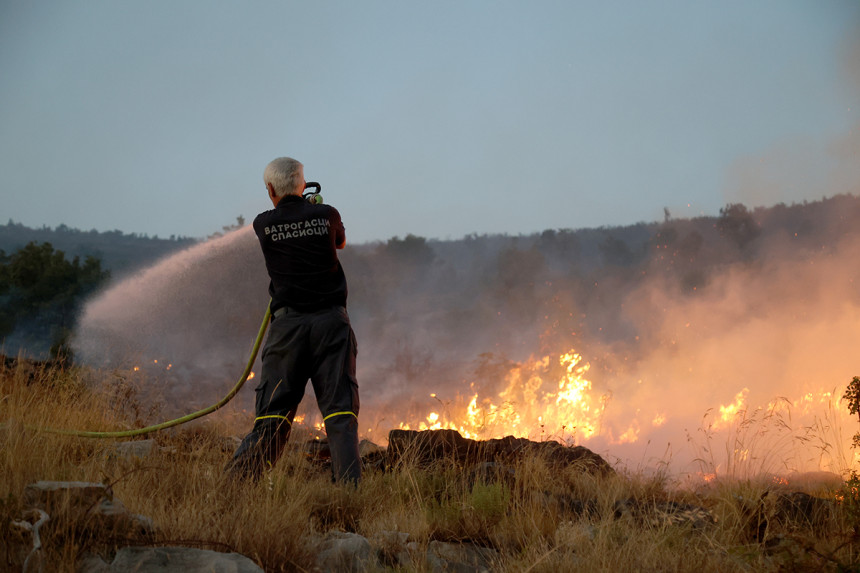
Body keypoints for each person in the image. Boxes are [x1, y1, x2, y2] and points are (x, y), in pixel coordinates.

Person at [226, 157, 361, 484]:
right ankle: (349, 494)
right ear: (303, 184)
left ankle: (236, 488)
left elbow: (287, 228)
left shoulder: (263, 223)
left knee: (273, 414)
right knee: (340, 414)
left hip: (287, 331)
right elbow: (340, 242)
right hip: (331, 326)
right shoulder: (327, 214)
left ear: (270, 189)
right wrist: (313, 208)